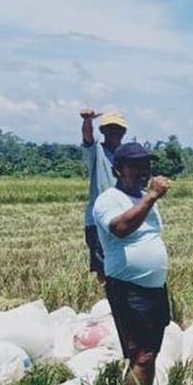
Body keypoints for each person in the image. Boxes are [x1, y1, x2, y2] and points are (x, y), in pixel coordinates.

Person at [92, 142, 170, 385]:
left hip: (154, 290)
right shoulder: (109, 200)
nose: (142, 171)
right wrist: (151, 197)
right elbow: (120, 228)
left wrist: (148, 198)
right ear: (117, 170)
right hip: (128, 289)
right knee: (142, 356)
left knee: (150, 355)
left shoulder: (142, 198)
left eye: (145, 166)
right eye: (134, 166)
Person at [80, 109, 127, 284]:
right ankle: (109, 300)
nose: (114, 132)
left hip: (124, 217)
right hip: (98, 219)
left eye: (117, 128)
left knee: (122, 263)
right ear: (102, 131)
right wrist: (87, 121)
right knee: (102, 267)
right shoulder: (96, 152)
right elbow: (87, 137)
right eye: (109, 128)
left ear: (124, 132)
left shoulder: (126, 156)